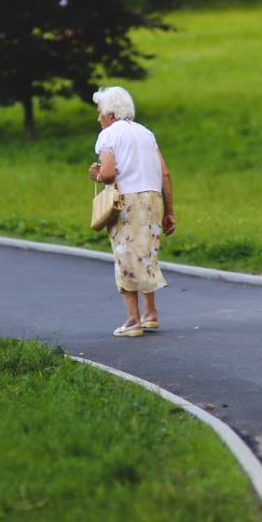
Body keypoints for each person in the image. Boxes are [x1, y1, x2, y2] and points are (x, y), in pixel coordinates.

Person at [88, 87, 176, 338]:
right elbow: (165, 174)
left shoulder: (108, 135)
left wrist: (95, 174)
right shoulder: (146, 133)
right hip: (152, 199)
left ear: (110, 113)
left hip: (126, 201)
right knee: (146, 254)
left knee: (125, 256)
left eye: (100, 113)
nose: (98, 119)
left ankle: (132, 321)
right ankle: (151, 315)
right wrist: (169, 211)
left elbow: (108, 173)